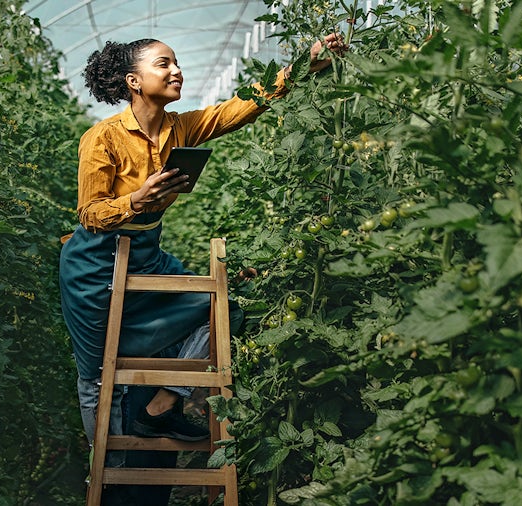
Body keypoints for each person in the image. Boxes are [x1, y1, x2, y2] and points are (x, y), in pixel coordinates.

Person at [59, 31, 346, 496]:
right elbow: (90, 213)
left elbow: (241, 106)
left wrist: (303, 65)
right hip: (94, 264)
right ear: (134, 81)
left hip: (146, 252)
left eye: (176, 62)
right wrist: (135, 200)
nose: (176, 71)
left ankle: (161, 406)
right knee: (94, 373)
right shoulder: (103, 138)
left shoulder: (181, 128)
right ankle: (107, 473)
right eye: (163, 64)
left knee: (221, 306)